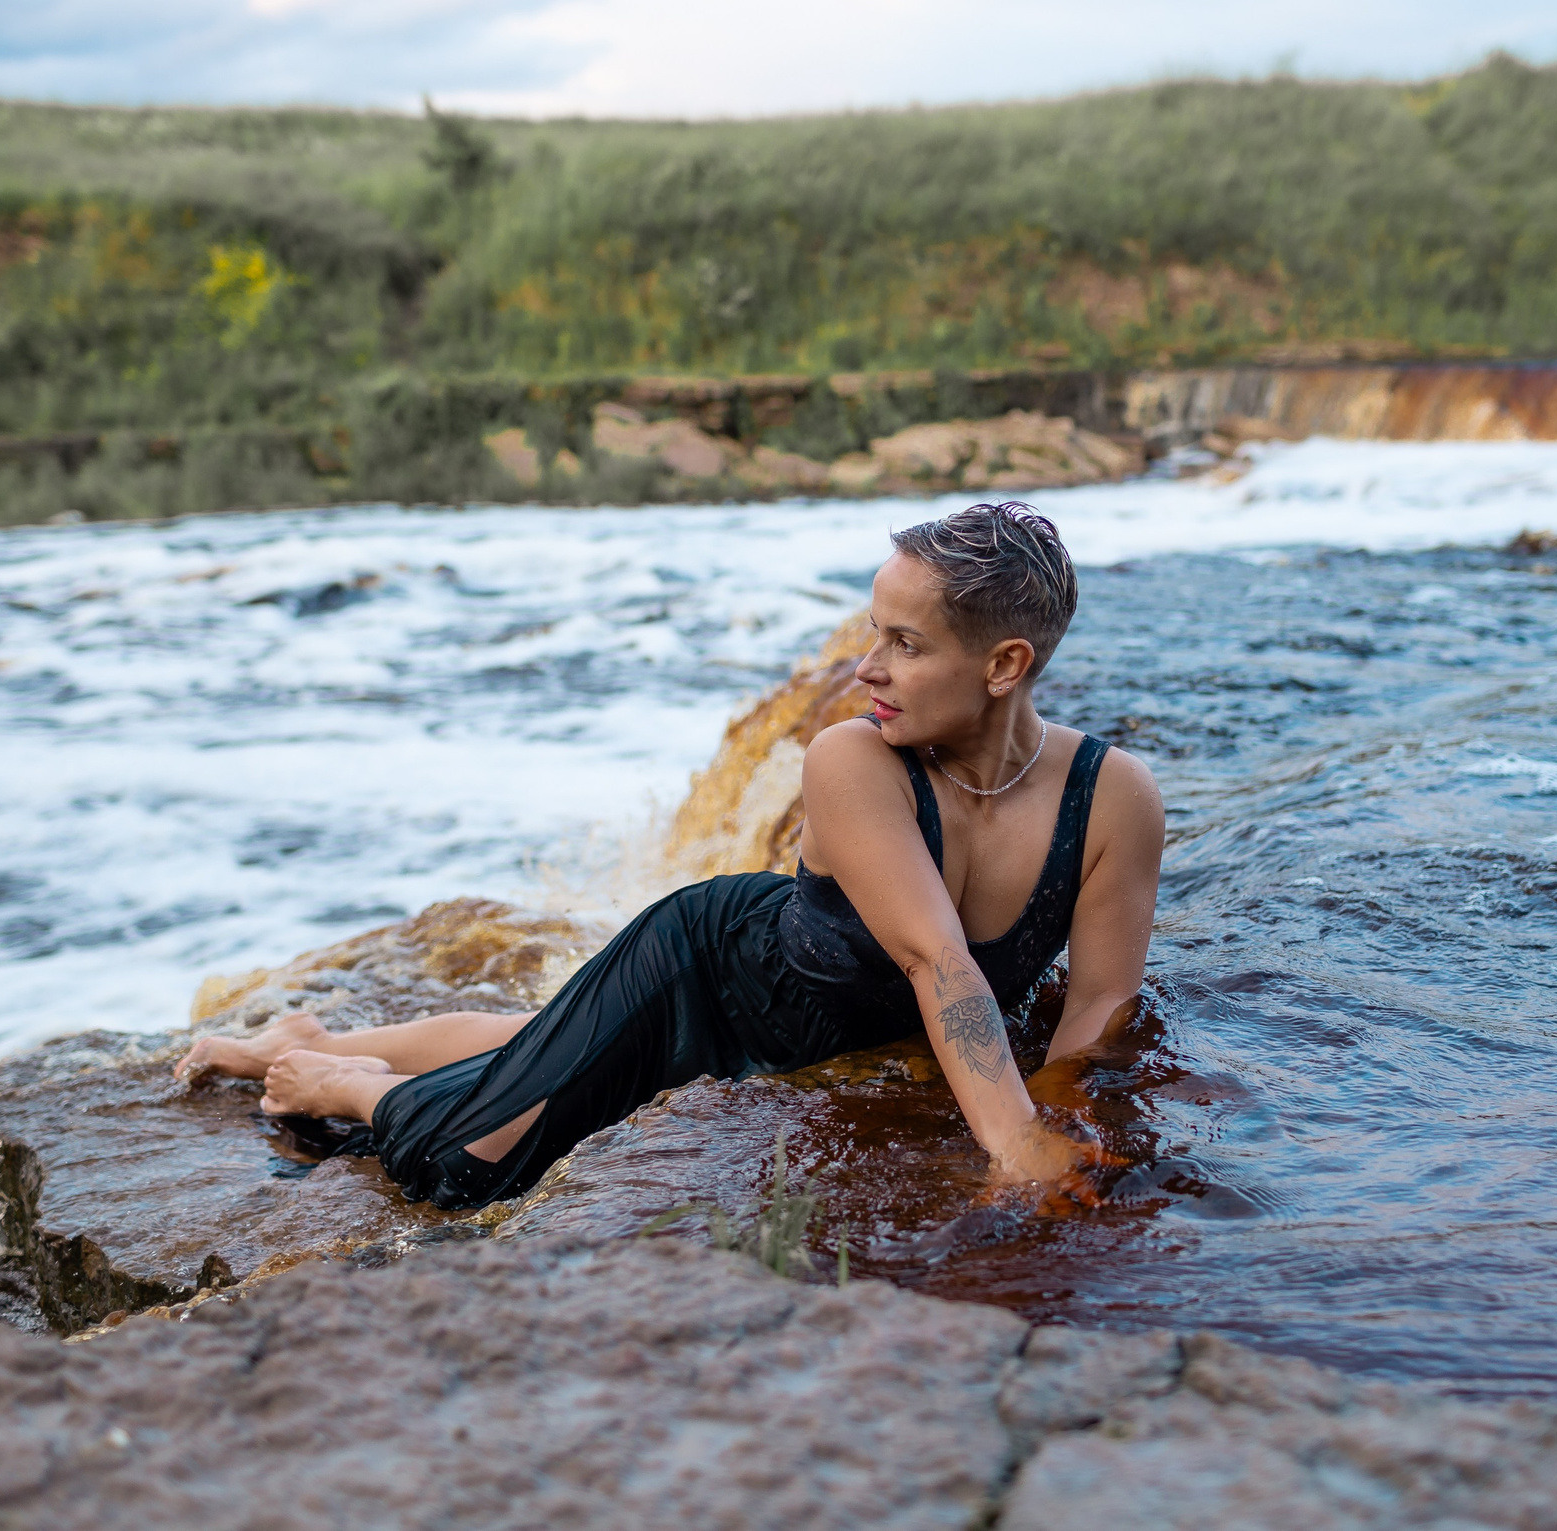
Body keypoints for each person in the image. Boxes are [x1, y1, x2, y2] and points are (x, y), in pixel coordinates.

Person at [177, 500, 1165, 1204]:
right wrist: (1011, 1141)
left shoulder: (1112, 798)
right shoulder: (851, 758)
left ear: (1004, 665)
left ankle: (307, 1031)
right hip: (711, 977)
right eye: (874, 632)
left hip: (825, 1029)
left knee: (544, 1036)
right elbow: (933, 960)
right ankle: (331, 1075)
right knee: (466, 1165)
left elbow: (1097, 1002)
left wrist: (1062, 1124)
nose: (866, 667)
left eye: (905, 644)